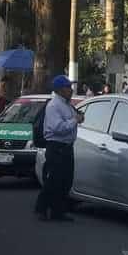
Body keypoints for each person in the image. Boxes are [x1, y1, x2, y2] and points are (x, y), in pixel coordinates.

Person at [35, 75, 84, 222]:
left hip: (67, 147)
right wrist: (75, 120)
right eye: (68, 87)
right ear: (60, 90)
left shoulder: (66, 104)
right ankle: (41, 208)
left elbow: (70, 121)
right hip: (56, 147)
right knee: (54, 181)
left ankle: (58, 211)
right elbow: (58, 128)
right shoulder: (54, 106)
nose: (71, 90)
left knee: (66, 181)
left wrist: (77, 118)